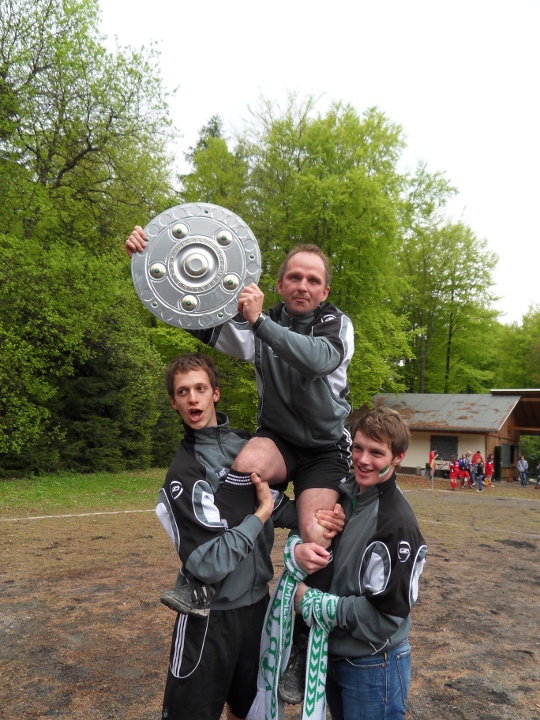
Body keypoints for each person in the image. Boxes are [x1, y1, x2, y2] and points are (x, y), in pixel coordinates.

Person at [127, 229, 354, 701]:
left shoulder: (335, 324)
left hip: (323, 450)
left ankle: (299, 645)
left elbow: (315, 361)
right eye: (294, 276)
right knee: (245, 461)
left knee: (316, 535)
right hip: (279, 438)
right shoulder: (259, 321)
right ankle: (197, 580)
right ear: (279, 281)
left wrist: (260, 325)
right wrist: (151, 262)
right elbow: (201, 319)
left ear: (324, 290)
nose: (303, 286)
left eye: (313, 279)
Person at [156, 352, 344, 720]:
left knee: (249, 711)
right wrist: (258, 516)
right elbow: (208, 562)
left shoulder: (250, 448)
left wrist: (322, 518)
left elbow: (276, 503)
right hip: (208, 616)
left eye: (200, 388)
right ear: (174, 402)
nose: (193, 398)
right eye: (183, 392)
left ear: (216, 394)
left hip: (258, 609)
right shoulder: (184, 472)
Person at [252, 408, 427, 720]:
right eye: (358, 448)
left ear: (398, 457)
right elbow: (304, 531)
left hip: (374, 666)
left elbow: (387, 617)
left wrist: (316, 604)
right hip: (335, 655)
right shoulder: (346, 493)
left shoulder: (395, 523)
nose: (363, 459)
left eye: (376, 453)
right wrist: (297, 550)